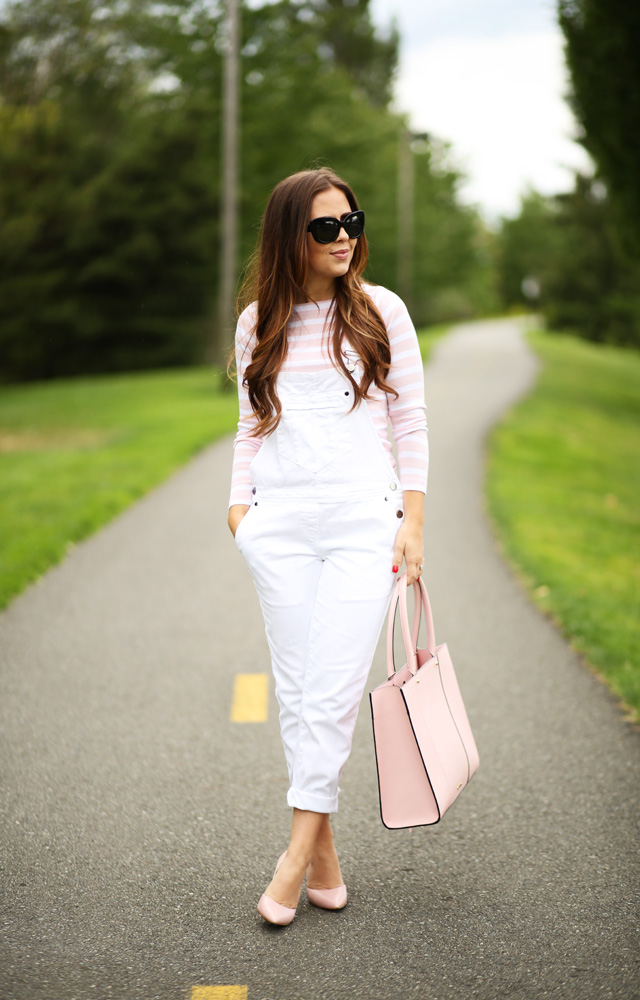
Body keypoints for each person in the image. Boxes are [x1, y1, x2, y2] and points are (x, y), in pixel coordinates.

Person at [228, 167, 428, 926]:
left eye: (351, 221)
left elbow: (411, 424)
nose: (344, 237)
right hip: (277, 532)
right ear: (291, 236)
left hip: (360, 527)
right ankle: (325, 856)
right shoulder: (258, 322)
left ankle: (291, 858)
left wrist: (412, 522)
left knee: (335, 691)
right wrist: (238, 511)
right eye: (324, 227)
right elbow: (252, 424)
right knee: (302, 689)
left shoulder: (383, 312)